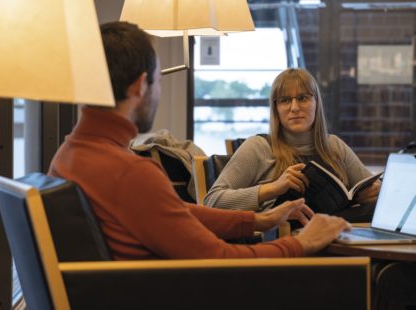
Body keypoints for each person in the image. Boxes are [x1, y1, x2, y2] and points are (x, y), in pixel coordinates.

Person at [49, 21, 350, 260]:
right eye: (159, 83)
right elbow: (218, 259)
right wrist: (303, 245)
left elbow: (173, 214)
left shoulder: (69, 155)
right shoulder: (131, 173)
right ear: (141, 85)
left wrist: (258, 220)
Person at [204, 68, 381, 216]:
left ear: (316, 103)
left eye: (303, 98)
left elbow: (374, 189)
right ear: (276, 109)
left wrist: (374, 192)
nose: (294, 108)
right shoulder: (259, 147)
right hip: (286, 244)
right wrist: (273, 188)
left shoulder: (334, 146)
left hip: (339, 240)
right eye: (285, 100)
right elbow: (211, 202)